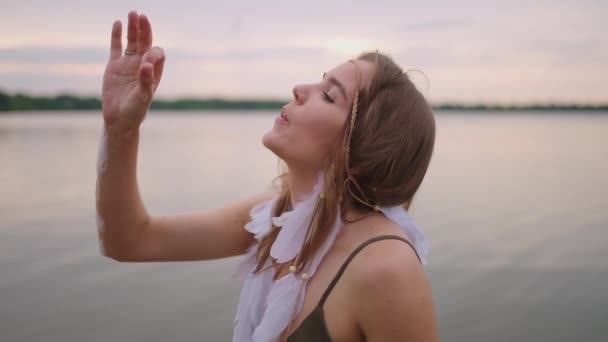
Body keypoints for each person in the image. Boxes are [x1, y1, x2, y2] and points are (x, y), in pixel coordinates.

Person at [96, 9, 439, 342]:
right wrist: (120, 129)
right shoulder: (276, 217)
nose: (298, 89)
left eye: (328, 95)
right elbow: (128, 241)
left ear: (364, 151)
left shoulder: (386, 268)